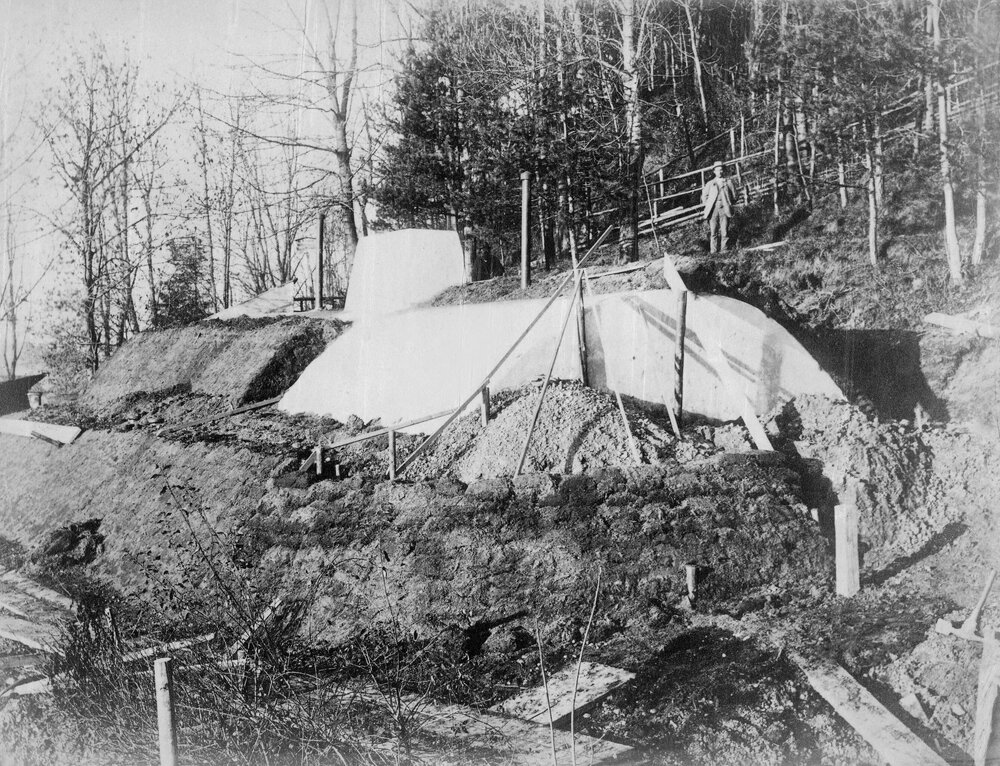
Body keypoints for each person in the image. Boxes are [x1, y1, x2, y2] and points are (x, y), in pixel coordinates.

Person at [701, 161, 736, 253]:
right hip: (713, 210)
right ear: (714, 171)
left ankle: (724, 250)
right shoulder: (710, 183)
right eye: (717, 170)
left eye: (721, 170)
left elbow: (735, 195)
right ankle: (714, 251)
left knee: (724, 231)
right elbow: (704, 197)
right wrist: (709, 204)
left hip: (725, 208)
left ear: (723, 170)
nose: (720, 172)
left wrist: (729, 203)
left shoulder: (728, 182)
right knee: (713, 231)